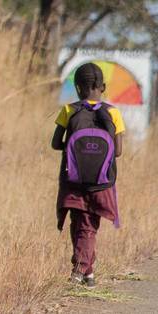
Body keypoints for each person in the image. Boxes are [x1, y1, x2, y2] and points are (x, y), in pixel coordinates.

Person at [52, 62, 125, 289]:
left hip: (73, 179)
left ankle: (79, 270)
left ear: (77, 87)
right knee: (87, 225)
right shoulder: (113, 112)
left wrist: (75, 149)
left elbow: (55, 144)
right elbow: (119, 151)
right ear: (102, 86)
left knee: (81, 223)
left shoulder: (69, 110)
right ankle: (89, 273)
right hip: (102, 182)